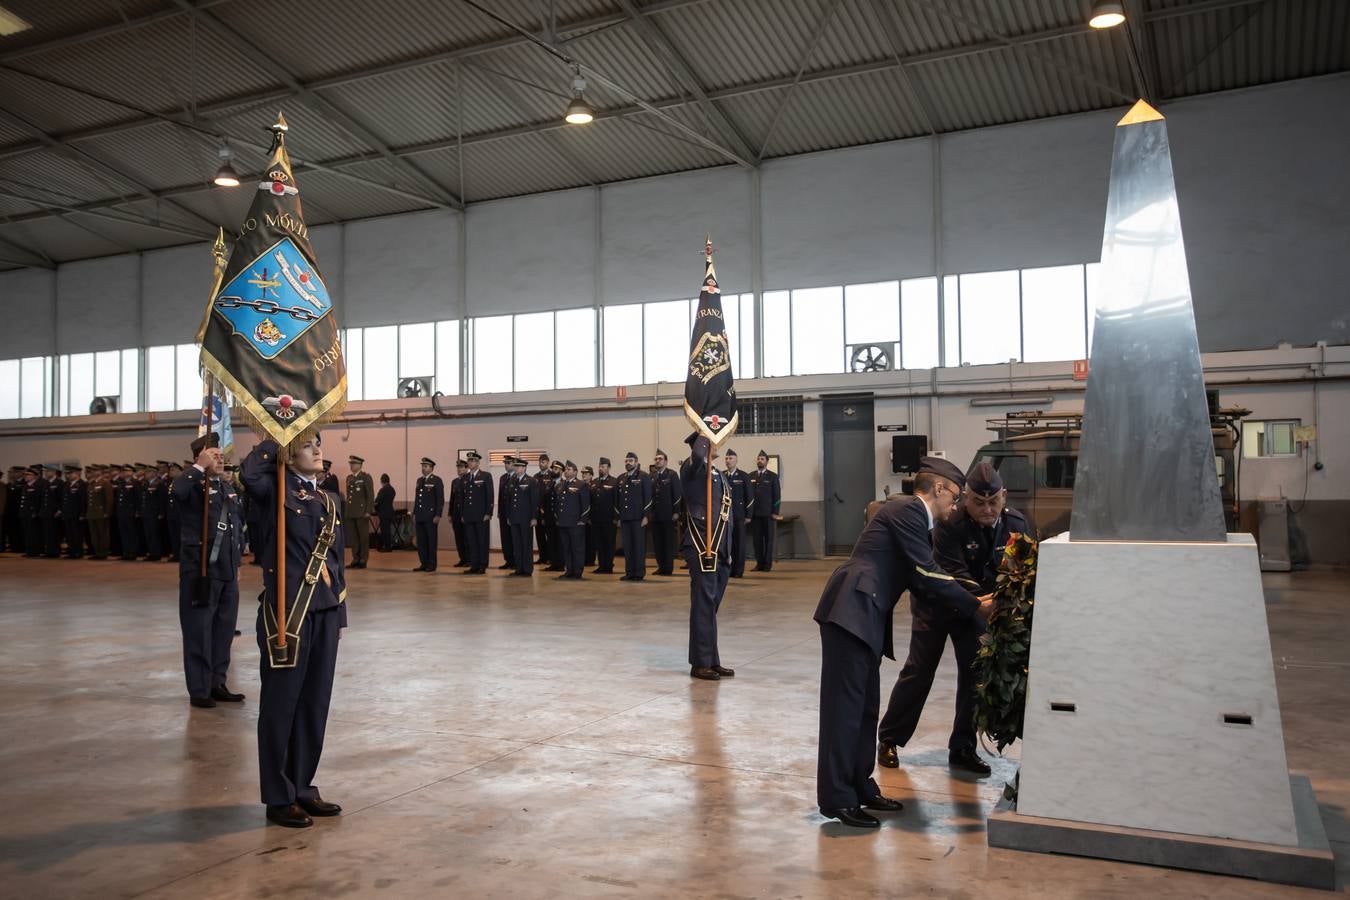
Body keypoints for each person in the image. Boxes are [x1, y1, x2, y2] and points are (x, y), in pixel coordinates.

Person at [813, 457, 991, 829]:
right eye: (955, 497)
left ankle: (860, 786)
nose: (955, 506)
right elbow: (926, 572)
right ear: (939, 488)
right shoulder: (909, 509)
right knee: (843, 711)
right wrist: (975, 605)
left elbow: (928, 575)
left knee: (864, 709)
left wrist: (976, 598)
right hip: (852, 610)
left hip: (865, 615)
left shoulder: (912, 519)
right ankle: (837, 798)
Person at [877, 462, 1028, 777]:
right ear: (966, 498)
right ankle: (890, 738)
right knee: (919, 672)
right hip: (937, 606)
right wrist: (984, 601)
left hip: (979, 610)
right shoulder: (949, 523)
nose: (987, 509)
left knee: (975, 678)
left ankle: (962, 747)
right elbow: (953, 573)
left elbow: (1019, 570)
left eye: (993, 501)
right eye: (978, 502)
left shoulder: (1017, 524)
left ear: (1004, 495)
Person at [241, 432, 347, 829]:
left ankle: (303, 787)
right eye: (307, 445)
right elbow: (250, 474)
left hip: (325, 614)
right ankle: (278, 796)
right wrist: (278, 434)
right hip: (288, 615)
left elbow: (336, 564)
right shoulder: (273, 492)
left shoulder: (328, 500)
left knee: (313, 706)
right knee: (281, 707)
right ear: (288, 454)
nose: (318, 450)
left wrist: (341, 615)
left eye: (319, 443)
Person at [175, 432, 245, 709]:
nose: (219, 458)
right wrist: (198, 469)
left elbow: (236, 529)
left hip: (227, 571)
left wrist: (237, 562)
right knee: (199, 630)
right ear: (200, 458)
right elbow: (178, 491)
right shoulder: (192, 485)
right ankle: (199, 688)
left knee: (223, 631)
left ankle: (217, 682)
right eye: (213, 455)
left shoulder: (227, 488)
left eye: (220, 455)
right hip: (201, 569)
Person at [682, 433, 734, 681]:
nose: (716, 443)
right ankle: (700, 663)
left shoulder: (720, 476)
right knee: (703, 605)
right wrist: (705, 432)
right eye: (711, 441)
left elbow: (727, 518)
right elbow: (695, 458)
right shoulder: (692, 470)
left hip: (720, 550)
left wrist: (729, 551)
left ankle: (712, 660)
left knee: (710, 608)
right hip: (702, 547)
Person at [617, 451, 652, 582]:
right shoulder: (621, 478)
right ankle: (629, 572)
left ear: (636, 462)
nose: (628, 463)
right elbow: (618, 500)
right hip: (625, 518)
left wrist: (646, 516)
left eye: (630, 461)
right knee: (628, 547)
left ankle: (639, 573)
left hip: (638, 518)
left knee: (638, 547)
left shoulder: (644, 476)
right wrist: (619, 517)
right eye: (626, 461)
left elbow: (648, 498)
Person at [554, 460, 589, 580]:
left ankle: (577, 571)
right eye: (566, 469)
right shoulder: (560, 485)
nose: (566, 471)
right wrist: (557, 518)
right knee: (566, 548)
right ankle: (569, 570)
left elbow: (586, 505)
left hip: (575, 523)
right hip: (563, 522)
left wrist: (583, 520)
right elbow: (558, 504)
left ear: (575, 472)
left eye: (569, 469)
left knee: (577, 548)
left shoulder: (581, 485)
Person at [650, 450, 682, 576]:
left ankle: (668, 568)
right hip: (655, 515)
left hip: (668, 515)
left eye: (660, 459)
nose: (658, 461)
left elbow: (677, 495)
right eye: (656, 459)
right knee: (657, 542)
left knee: (668, 543)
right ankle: (661, 566)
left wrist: (676, 512)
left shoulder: (672, 475)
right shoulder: (651, 476)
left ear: (666, 461)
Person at [461, 451, 493, 575]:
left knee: (482, 541)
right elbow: (464, 498)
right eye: (469, 460)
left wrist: (488, 513)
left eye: (473, 460)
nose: (470, 462)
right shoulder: (465, 478)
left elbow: (489, 496)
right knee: (471, 541)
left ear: (478, 463)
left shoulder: (485, 476)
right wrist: (463, 514)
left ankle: (482, 565)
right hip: (469, 515)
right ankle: (473, 565)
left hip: (481, 515)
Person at [749, 450, 781, 571]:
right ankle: (759, 563)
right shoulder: (751, 476)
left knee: (768, 540)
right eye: (758, 459)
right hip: (755, 514)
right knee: (757, 541)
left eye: (762, 459)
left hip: (768, 514)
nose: (759, 461)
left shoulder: (773, 477)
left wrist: (775, 512)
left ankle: (767, 564)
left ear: (767, 461)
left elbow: (777, 496)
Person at [506, 457, 538, 577]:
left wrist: (534, 517)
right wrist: (509, 516)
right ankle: (519, 568)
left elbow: (534, 501)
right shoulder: (512, 480)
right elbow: (509, 500)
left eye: (519, 466)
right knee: (517, 544)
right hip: (514, 517)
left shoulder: (531, 481)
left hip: (526, 518)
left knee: (526, 544)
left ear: (524, 468)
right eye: (516, 466)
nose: (517, 468)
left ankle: (527, 569)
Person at [412, 457, 444, 572]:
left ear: (431, 468)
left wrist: (438, 515)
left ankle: (431, 564)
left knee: (431, 541)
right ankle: (423, 563)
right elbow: (417, 499)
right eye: (422, 466)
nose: (423, 468)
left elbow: (440, 499)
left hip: (431, 517)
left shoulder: (436, 480)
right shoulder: (419, 480)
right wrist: (415, 513)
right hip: (420, 516)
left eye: (426, 466)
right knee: (421, 542)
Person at [723, 450, 750, 578]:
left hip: (739, 516)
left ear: (736, 460)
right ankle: (728, 569)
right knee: (727, 545)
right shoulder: (722, 475)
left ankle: (738, 571)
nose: (728, 460)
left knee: (739, 545)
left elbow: (750, 497)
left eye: (731, 458)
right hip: (725, 516)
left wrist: (748, 515)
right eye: (726, 458)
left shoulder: (743, 476)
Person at [344, 455, 374, 569]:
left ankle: (363, 559)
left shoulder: (365, 477)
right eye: (351, 464)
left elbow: (370, 495)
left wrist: (368, 511)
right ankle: (355, 559)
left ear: (360, 465)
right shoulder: (349, 478)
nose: (352, 466)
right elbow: (349, 497)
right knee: (353, 538)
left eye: (354, 464)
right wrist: (347, 512)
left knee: (363, 538)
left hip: (362, 512)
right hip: (351, 512)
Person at [590, 458, 618, 574]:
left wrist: (616, 517)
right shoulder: (594, 482)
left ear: (609, 468)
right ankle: (602, 565)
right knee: (599, 543)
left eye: (603, 466)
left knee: (609, 543)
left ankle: (608, 566)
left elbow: (617, 501)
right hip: (596, 519)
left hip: (609, 519)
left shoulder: (614, 482)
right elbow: (591, 501)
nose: (601, 468)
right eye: (600, 466)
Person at [86, 465, 113, 560]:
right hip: (92, 513)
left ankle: (103, 553)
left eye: (96, 470)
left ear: (101, 471)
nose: (93, 472)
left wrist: (107, 512)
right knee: (94, 535)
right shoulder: (92, 483)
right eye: (93, 471)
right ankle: (97, 552)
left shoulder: (105, 483)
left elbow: (109, 499)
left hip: (101, 513)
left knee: (103, 534)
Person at [533, 454, 554, 566]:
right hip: (537, 511)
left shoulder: (551, 475)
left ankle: (551, 557)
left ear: (548, 463)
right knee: (539, 536)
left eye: (544, 462)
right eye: (540, 462)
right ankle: (542, 557)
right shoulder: (535, 477)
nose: (542, 464)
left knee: (550, 536)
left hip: (547, 512)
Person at [61, 465, 86, 559]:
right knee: (69, 534)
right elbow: (64, 500)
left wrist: (82, 513)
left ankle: (78, 552)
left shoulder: (82, 484)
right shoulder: (67, 484)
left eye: (71, 473)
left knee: (77, 534)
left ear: (78, 473)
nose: (69, 475)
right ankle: (71, 552)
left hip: (77, 514)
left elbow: (83, 500)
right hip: (68, 513)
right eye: (68, 473)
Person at [496, 458, 516, 571]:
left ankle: (515, 561)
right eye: (505, 463)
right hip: (503, 513)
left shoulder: (516, 477)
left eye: (509, 463)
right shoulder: (503, 478)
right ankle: (508, 560)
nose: (506, 465)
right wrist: (499, 511)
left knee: (514, 538)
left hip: (513, 513)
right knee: (505, 538)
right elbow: (500, 496)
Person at [545, 459, 565, 571]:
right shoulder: (549, 484)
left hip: (560, 519)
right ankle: (553, 563)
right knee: (551, 541)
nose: (553, 470)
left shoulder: (564, 484)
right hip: (550, 518)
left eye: (556, 469)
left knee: (560, 542)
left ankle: (561, 564)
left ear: (561, 471)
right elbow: (545, 502)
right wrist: (544, 516)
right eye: (553, 468)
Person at [40, 464, 62, 558]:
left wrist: (60, 510)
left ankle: (55, 551)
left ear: (53, 472)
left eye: (48, 471)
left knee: (54, 533)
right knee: (47, 533)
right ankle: (49, 551)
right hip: (46, 512)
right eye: (45, 471)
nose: (45, 473)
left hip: (54, 512)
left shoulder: (59, 483)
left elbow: (61, 498)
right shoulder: (45, 483)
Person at [449, 458, 468, 568]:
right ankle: (462, 558)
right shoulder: (455, 482)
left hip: (464, 515)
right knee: (459, 538)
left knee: (467, 538)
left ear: (466, 468)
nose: (459, 469)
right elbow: (452, 499)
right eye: (458, 467)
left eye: (461, 467)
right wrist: (450, 513)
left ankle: (469, 559)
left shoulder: (468, 480)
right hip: (456, 514)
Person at [20, 465, 42, 557]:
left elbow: (38, 501)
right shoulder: (26, 486)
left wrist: (35, 512)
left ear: (34, 476)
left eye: (28, 475)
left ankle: (35, 551)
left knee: (33, 533)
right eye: (25, 475)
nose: (26, 476)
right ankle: (29, 551)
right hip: (25, 513)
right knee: (27, 533)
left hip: (32, 513)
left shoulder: (37, 485)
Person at [165, 462, 184, 562]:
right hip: (172, 513)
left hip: (180, 513)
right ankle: (176, 553)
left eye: (173, 470)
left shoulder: (183, 482)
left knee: (180, 535)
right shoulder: (170, 482)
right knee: (173, 535)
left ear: (180, 471)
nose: (170, 472)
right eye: (170, 470)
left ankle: (181, 554)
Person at [580, 465, 597, 568]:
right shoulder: (580, 486)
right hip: (582, 518)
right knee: (582, 540)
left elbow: (593, 503)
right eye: (582, 474)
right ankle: (584, 559)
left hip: (591, 518)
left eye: (586, 474)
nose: (584, 475)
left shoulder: (593, 486)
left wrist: (590, 517)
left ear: (591, 475)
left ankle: (590, 560)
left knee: (591, 540)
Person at [375, 474, 396, 552]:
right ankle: (388, 546)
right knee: (388, 530)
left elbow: (377, 501)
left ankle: (387, 547)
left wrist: (375, 507)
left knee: (384, 530)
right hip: (390, 512)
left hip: (383, 512)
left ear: (382, 481)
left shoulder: (383, 490)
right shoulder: (392, 489)